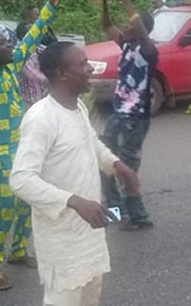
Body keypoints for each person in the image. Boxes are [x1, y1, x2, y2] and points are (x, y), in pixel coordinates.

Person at [10, 42, 140, 306]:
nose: (90, 67)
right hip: (62, 242)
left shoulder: (77, 107)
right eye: (82, 64)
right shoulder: (41, 118)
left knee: (90, 298)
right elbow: (21, 179)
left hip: (89, 234)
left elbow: (90, 142)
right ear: (62, 73)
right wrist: (74, 201)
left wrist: (116, 165)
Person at [0, 0, 61, 290]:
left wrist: (50, 7)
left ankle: (18, 251)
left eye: (8, 42)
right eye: (2, 44)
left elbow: (32, 37)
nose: (10, 46)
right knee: (4, 208)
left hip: (21, 149)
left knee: (25, 203)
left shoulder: (10, 68)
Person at [98, 0, 158, 231]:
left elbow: (142, 32)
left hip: (135, 119)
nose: (126, 27)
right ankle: (116, 210)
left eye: (131, 25)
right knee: (105, 162)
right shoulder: (126, 45)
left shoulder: (148, 52)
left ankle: (139, 217)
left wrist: (127, 2)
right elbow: (106, 25)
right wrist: (104, 3)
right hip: (118, 114)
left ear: (142, 30)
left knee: (127, 169)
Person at [17, 11, 57, 109]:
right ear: (24, 36)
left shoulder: (38, 48)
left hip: (42, 100)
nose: (37, 35)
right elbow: (34, 76)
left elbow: (55, 56)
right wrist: (57, 79)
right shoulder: (20, 54)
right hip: (29, 103)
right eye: (32, 33)